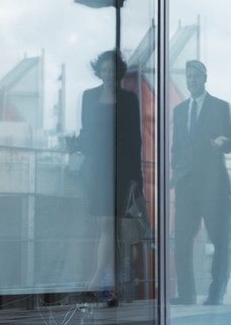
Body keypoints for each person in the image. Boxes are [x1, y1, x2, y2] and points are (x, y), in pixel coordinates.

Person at [79, 50, 143, 306]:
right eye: (103, 70)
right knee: (107, 229)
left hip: (121, 169)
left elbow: (135, 139)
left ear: (118, 72)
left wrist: (136, 177)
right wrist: (76, 144)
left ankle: (95, 281)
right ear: (98, 71)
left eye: (111, 70)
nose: (107, 75)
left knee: (108, 223)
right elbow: (86, 132)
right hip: (95, 168)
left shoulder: (129, 99)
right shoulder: (89, 96)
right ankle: (115, 288)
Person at [171, 60, 231, 306]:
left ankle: (215, 294)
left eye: (196, 76)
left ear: (205, 78)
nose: (192, 81)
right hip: (186, 186)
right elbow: (177, 148)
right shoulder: (179, 110)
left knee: (220, 240)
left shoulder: (220, 106)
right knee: (182, 241)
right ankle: (186, 295)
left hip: (213, 185)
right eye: (189, 76)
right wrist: (176, 173)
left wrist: (223, 141)